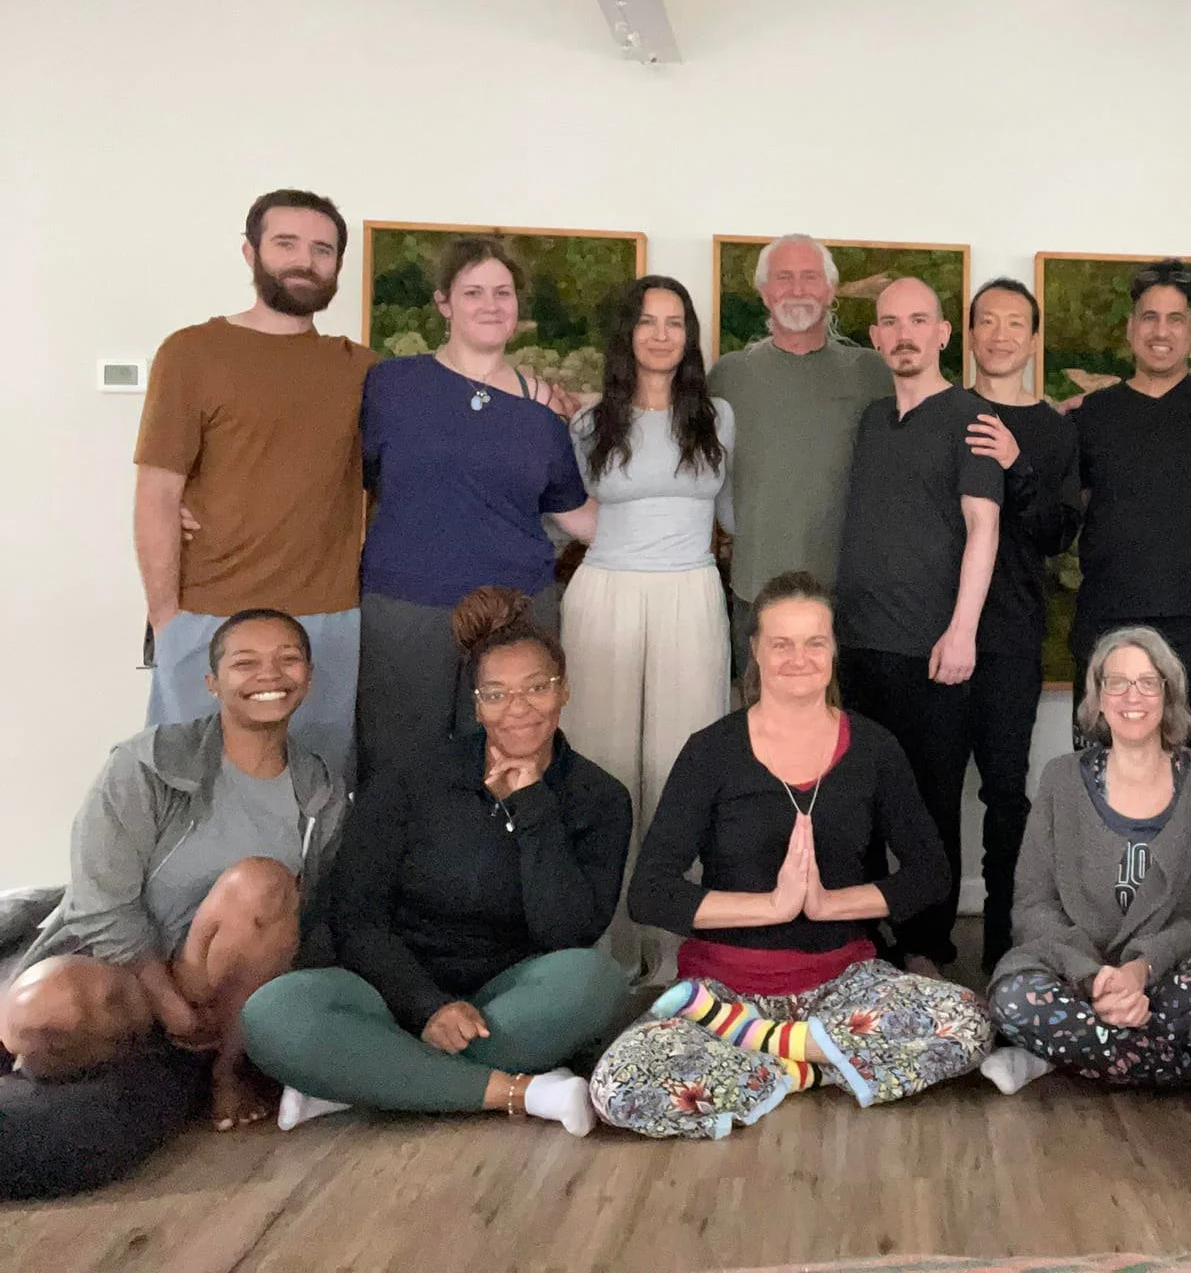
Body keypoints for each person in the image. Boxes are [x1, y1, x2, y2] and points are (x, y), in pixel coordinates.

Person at [588, 572, 994, 1139]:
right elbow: (650, 891)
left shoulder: (873, 747)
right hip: (724, 999)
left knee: (969, 1023)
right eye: (781, 643)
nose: (798, 658)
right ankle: (824, 1064)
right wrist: (773, 907)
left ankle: (783, 1064)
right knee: (618, 1086)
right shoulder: (712, 751)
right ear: (755, 649)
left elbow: (931, 872)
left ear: (834, 651)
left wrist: (829, 904)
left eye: (814, 643)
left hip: (844, 987)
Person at [240, 588, 631, 1136]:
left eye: (536, 689)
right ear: (476, 704)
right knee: (272, 1015)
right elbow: (356, 915)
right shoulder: (411, 777)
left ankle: (371, 1079)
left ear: (563, 691)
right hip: (389, 995)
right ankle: (521, 1091)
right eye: (496, 694)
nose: (517, 709)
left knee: (596, 980)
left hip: (507, 1004)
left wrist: (533, 808)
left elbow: (567, 932)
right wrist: (427, 1007)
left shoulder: (599, 797)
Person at [0, 611, 348, 1196]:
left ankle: (224, 1070)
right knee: (41, 1011)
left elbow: (306, 920)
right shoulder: (147, 763)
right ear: (212, 682)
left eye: (287, 659)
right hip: (127, 973)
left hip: (222, 982)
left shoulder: (321, 793)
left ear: (308, 677)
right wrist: (164, 999)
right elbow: (98, 901)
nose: (270, 674)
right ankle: (150, 1047)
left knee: (261, 883)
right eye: (245, 663)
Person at [135, 189, 377, 783]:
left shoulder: (365, 371)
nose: (305, 260)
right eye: (286, 243)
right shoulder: (192, 353)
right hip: (210, 619)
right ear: (250, 253)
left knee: (315, 798)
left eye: (323, 249)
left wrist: (545, 400)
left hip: (329, 622)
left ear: (339, 266)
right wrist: (167, 620)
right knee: (189, 793)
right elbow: (158, 496)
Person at [355, 236, 593, 784]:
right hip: (406, 611)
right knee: (397, 769)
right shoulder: (391, 385)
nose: (491, 305)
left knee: (507, 766)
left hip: (518, 612)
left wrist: (681, 521)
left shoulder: (544, 409)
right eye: (474, 292)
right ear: (445, 303)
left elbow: (576, 513)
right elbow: (347, 477)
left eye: (503, 293)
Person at [982, 627, 1191, 1097]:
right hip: (1073, 975)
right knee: (1014, 998)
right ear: (1098, 698)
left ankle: (1055, 1054)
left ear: (1169, 695)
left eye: (1148, 682)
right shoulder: (1062, 779)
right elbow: (1032, 907)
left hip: (1168, 979)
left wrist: (1142, 969)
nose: (1132, 696)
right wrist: (1094, 977)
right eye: (1117, 683)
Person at [560, 275, 735, 980]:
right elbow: (561, 513)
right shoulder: (588, 422)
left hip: (691, 593)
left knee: (682, 768)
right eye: (647, 321)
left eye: (675, 322)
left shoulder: (718, 417)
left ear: (689, 336)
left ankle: (672, 953)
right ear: (625, 333)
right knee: (602, 768)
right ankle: (604, 949)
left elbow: (735, 516)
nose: (661, 335)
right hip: (603, 594)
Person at [834, 277, 1003, 973]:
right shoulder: (873, 419)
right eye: (890, 323)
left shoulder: (973, 417)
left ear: (942, 334)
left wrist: (962, 630)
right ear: (875, 338)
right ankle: (865, 943)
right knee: (861, 799)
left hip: (935, 650)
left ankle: (929, 946)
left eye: (919, 321)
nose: (904, 334)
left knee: (931, 806)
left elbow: (984, 526)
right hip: (860, 645)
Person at [1070, 259, 1191, 763]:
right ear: (1131, 328)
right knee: (1105, 776)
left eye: (1176, 318)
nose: (1161, 331)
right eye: (1149, 317)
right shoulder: (1093, 414)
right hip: (1110, 620)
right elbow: (1074, 507)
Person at [962, 277, 1081, 969]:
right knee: (925, 791)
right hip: (930, 629)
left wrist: (1018, 467)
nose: (1001, 334)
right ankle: (924, 947)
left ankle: (1004, 947)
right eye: (988, 321)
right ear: (970, 333)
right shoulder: (946, 411)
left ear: (1033, 340)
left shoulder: (1056, 430)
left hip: (1011, 634)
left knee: (1007, 792)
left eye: (1015, 323)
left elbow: (1056, 535)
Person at [706, 234, 893, 648]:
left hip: (849, 595)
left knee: (842, 714)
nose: (796, 289)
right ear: (763, 290)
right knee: (759, 712)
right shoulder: (728, 376)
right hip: (756, 591)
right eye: (784, 277)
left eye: (810, 277)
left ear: (830, 289)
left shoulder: (873, 374)